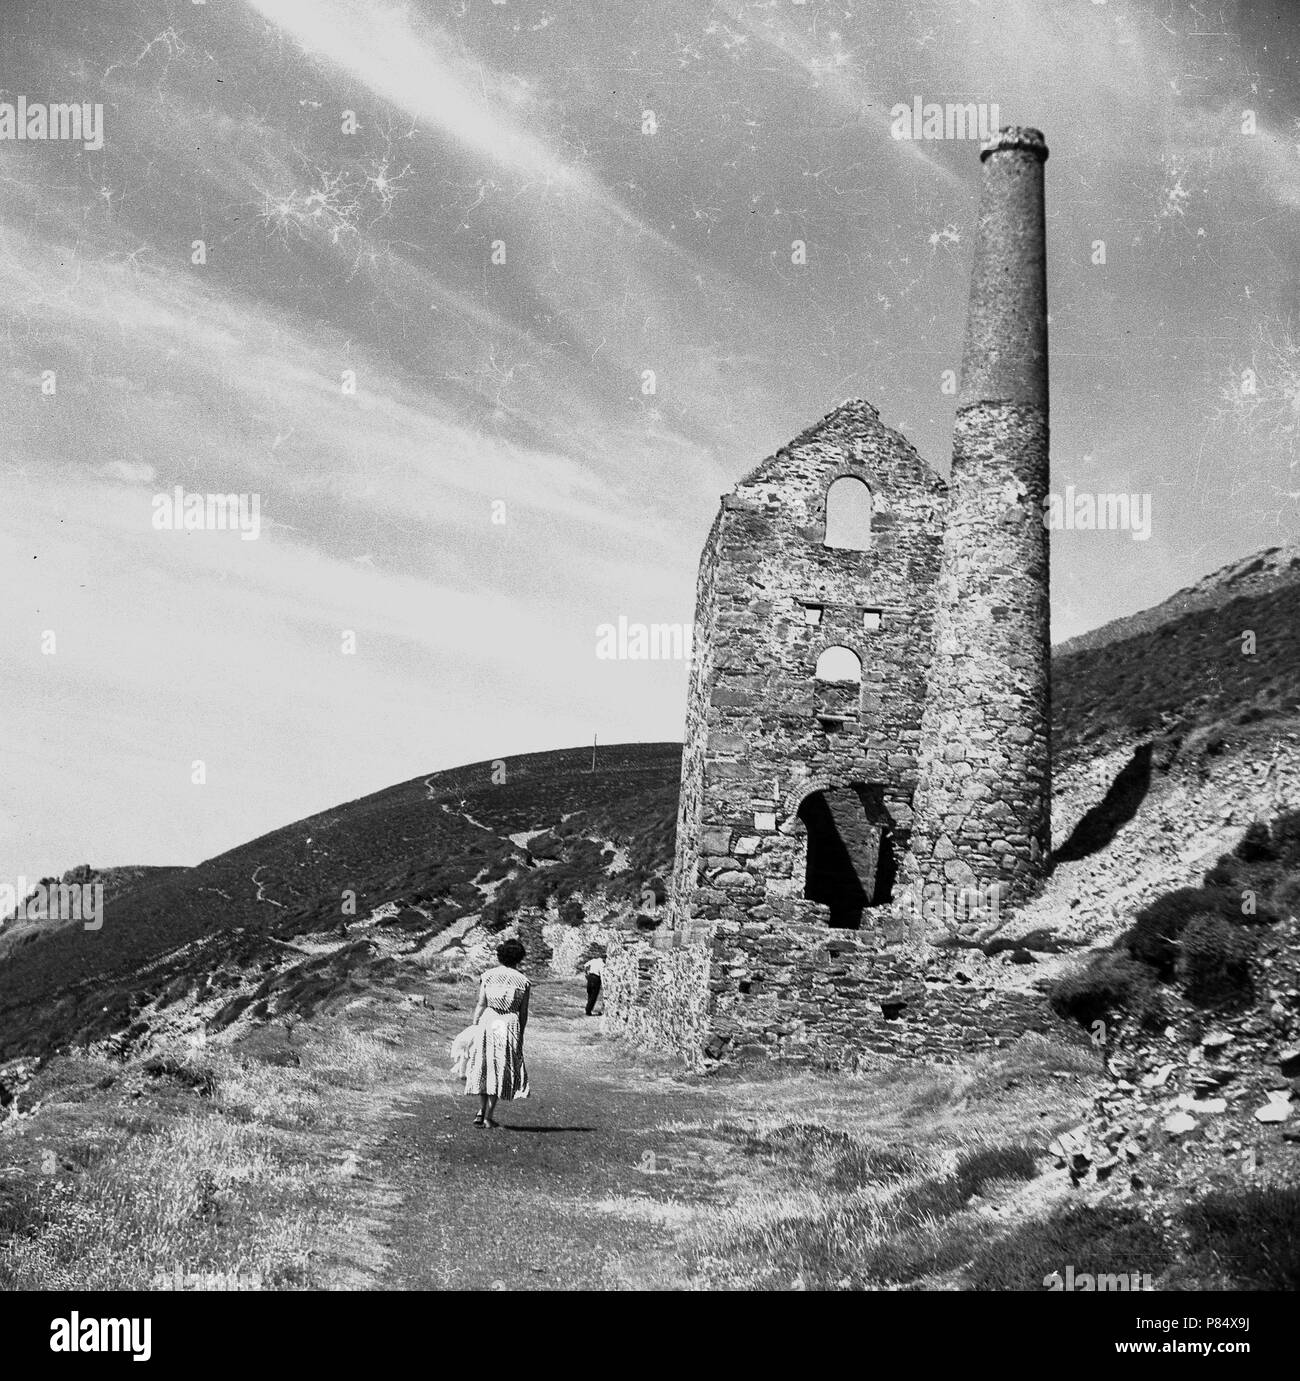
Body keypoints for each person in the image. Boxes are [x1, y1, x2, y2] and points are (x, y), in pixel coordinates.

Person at [450, 939, 530, 1128]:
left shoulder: (488, 976)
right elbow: (523, 1012)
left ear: (500, 955)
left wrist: (475, 1025)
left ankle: (480, 1110)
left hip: (488, 1020)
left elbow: (481, 1003)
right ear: (519, 958)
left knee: (483, 1065)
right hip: (508, 1023)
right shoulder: (523, 981)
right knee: (500, 1068)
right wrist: (521, 1034)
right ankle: (488, 1116)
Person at [583, 952, 604, 1016]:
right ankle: (588, 1010)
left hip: (590, 977)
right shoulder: (602, 964)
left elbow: (585, 965)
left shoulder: (593, 960)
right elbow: (602, 974)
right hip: (596, 979)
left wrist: (586, 973)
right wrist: (603, 984)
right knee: (594, 996)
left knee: (589, 994)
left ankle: (588, 1009)